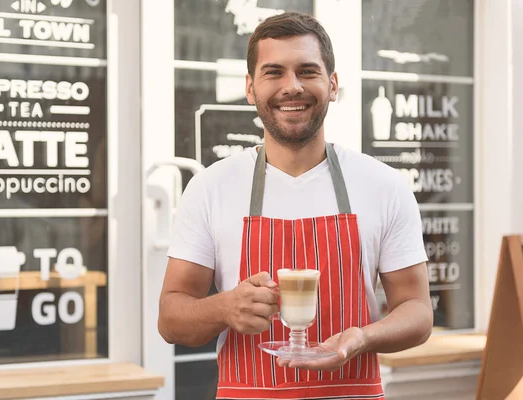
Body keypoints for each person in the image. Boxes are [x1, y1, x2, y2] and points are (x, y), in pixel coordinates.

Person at [158, 11, 433, 400]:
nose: (292, 86)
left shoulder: (383, 186)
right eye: (274, 73)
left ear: (332, 84)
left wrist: (362, 337)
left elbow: (418, 313)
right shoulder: (210, 188)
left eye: (307, 71)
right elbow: (171, 319)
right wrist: (224, 308)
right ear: (251, 88)